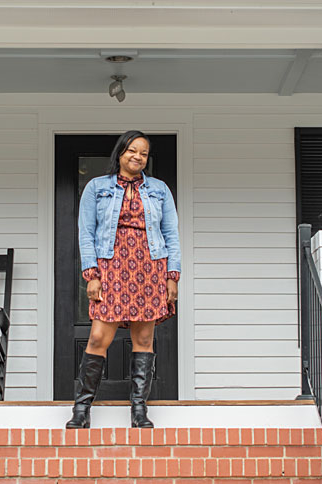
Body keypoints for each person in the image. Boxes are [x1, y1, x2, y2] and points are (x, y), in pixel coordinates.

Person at [66, 130, 181, 429]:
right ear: (120, 153)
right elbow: (85, 233)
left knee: (144, 338)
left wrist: (172, 277)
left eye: (143, 153)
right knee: (98, 337)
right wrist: (91, 275)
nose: (137, 157)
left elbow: (171, 235)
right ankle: (82, 408)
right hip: (112, 268)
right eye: (132, 150)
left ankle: (139, 410)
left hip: (149, 268)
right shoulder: (96, 187)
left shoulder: (159, 190)